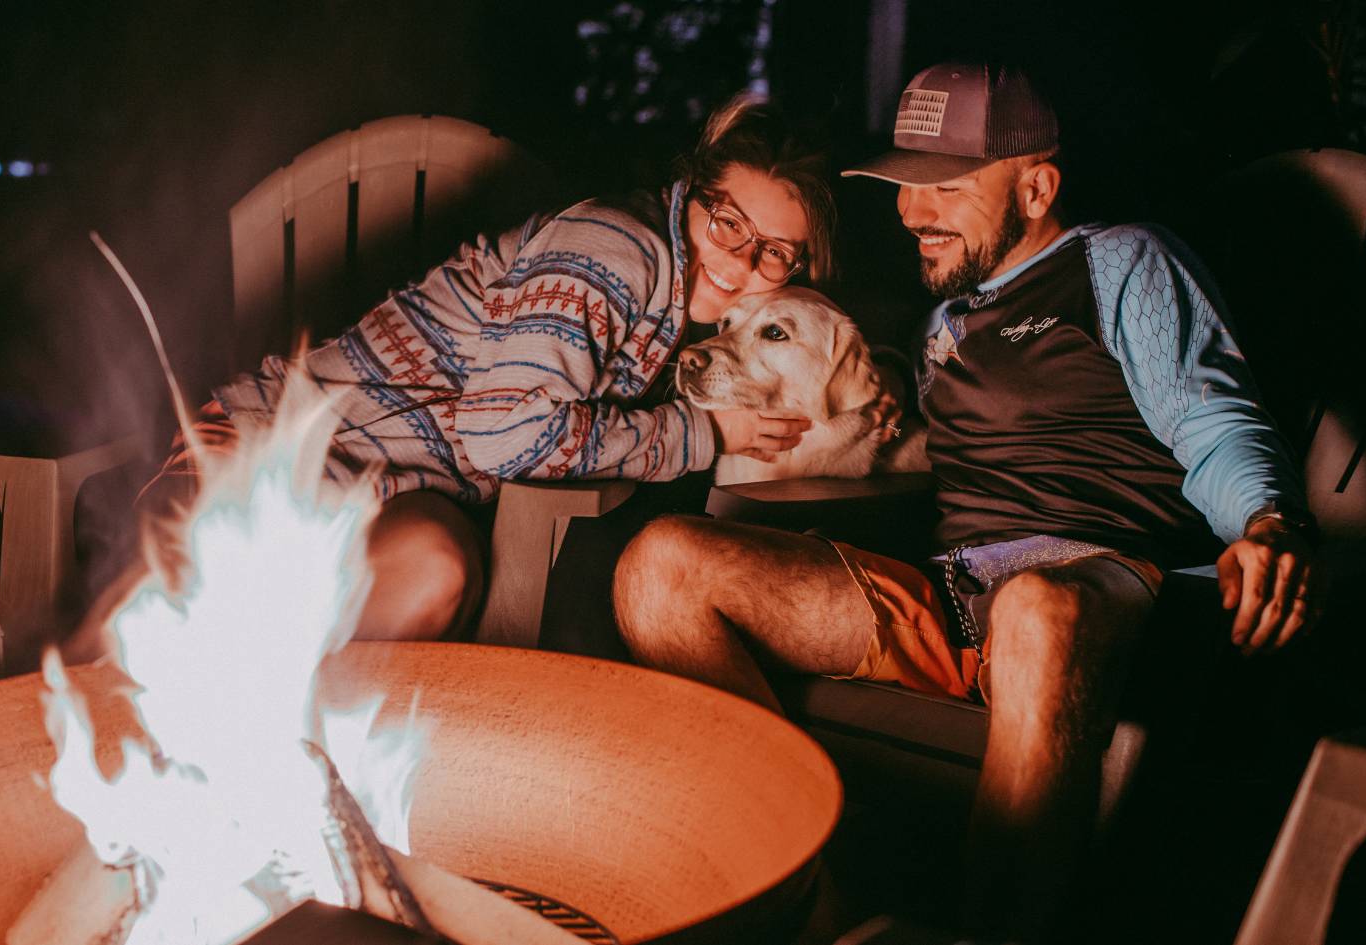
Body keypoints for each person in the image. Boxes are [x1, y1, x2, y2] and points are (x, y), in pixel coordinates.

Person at [612, 62, 1324, 941]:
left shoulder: (1119, 263)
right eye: (903, 187)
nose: (912, 212)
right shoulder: (943, 324)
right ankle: (813, 899)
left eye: (945, 187)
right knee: (660, 568)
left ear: (1036, 188)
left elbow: (1211, 416)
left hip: (1103, 586)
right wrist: (880, 389)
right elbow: (908, 432)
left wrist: (1268, 520)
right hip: (956, 599)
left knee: (1035, 608)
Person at [103, 94, 837, 649]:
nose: (742, 260)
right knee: (187, 612)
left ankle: (267, 713)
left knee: (439, 572)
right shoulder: (615, 250)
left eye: (776, 251)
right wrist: (705, 435)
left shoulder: (688, 307)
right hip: (267, 453)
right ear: (693, 193)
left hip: (389, 490)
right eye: (728, 221)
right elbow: (505, 435)